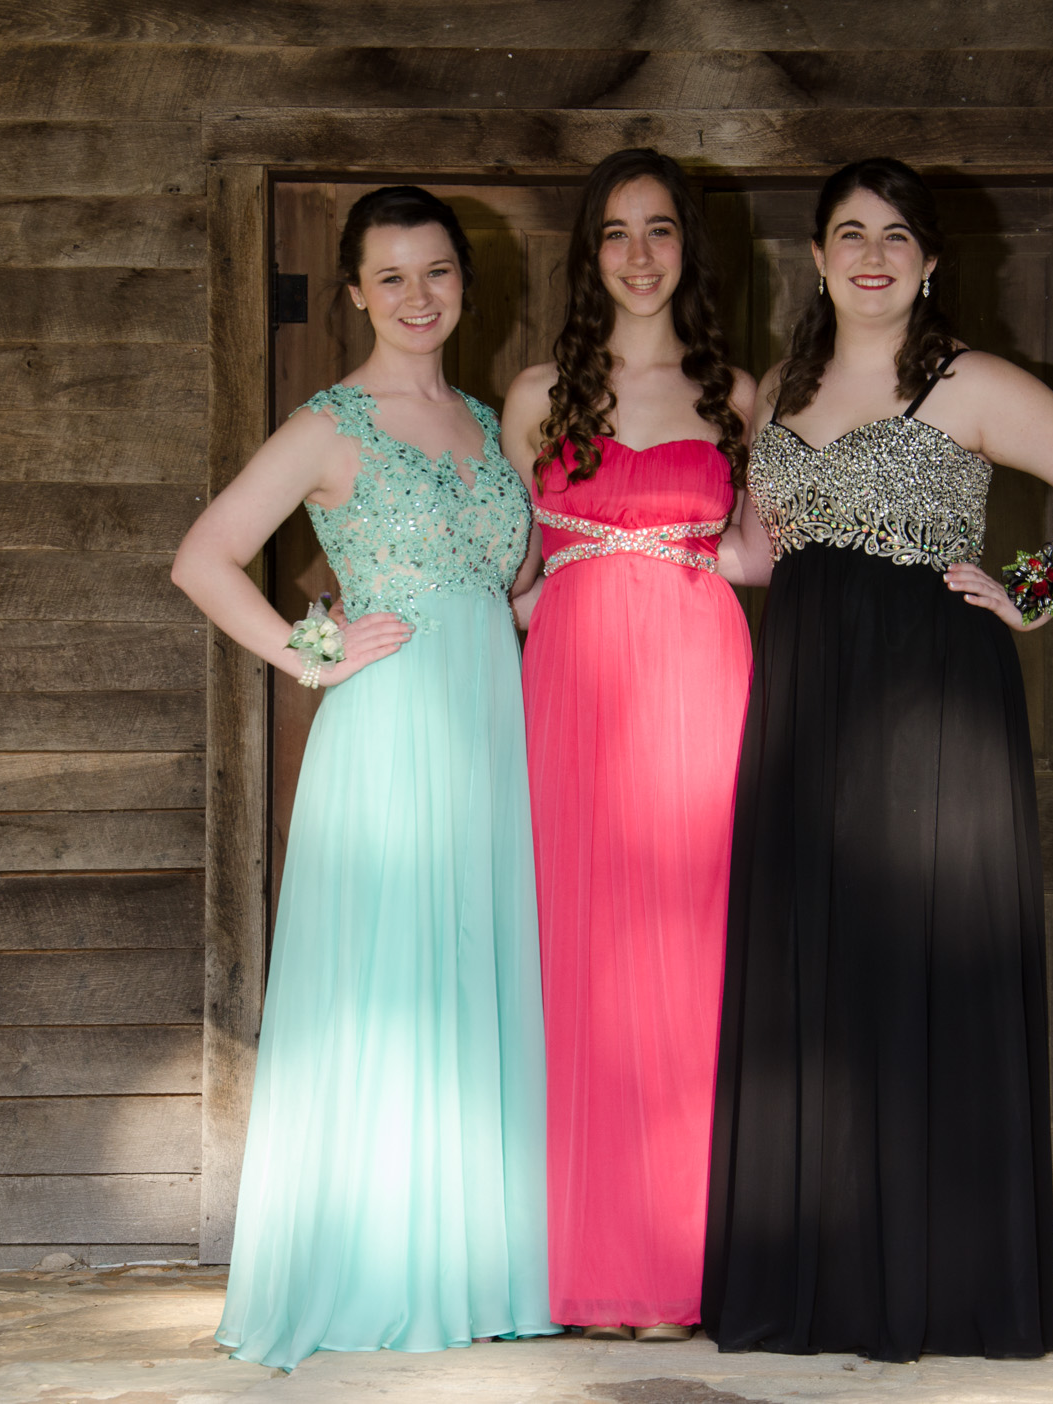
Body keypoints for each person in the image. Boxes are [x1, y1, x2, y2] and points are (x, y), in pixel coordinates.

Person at [701, 158, 1053, 1363]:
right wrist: (622, 554)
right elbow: (757, 554)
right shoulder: (777, 392)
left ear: (930, 261)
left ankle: (938, 1286)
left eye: (896, 235)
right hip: (805, 702)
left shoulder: (969, 382)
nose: (872, 254)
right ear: (816, 257)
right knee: (817, 974)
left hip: (930, 703)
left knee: (917, 959)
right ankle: (821, 1280)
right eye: (849, 233)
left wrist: (1031, 592)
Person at [170, 185, 557, 1371]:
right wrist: (311, 652)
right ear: (353, 293)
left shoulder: (488, 423)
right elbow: (203, 558)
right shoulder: (327, 424)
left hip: (489, 734)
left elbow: (515, 589)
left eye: (435, 271)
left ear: (463, 283)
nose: (416, 295)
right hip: (387, 737)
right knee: (391, 983)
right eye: (390, 276)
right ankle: (379, 1271)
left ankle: (471, 1268)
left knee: (468, 972)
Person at [501, 148, 755, 1342]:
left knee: (692, 951)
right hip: (571, 686)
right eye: (615, 232)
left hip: (700, 678)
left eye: (659, 230)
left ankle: (678, 1266)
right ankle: (580, 1264)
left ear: (687, 248)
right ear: (587, 253)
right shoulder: (537, 394)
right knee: (577, 952)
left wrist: (1005, 586)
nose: (638, 255)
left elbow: (763, 553)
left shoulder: (735, 395)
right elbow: (508, 569)